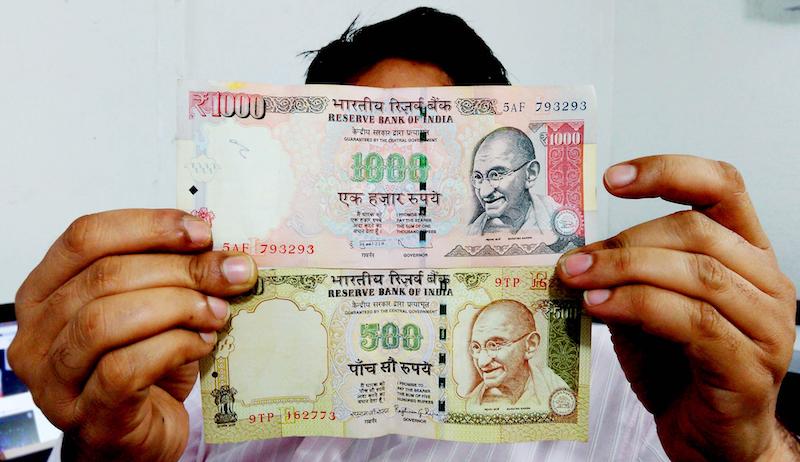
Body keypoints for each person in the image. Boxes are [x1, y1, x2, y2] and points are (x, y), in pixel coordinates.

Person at [9, 7, 798, 462]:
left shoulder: (623, 387)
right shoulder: (213, 375)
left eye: (441, 160)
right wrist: (98, 457)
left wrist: (755, 453)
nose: (399, 207)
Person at [466, 300, 568, 411]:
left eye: (495, 345)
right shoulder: (470, 403)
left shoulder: (558, 393)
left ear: (530, 345)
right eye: (476, 347)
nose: (482, 362)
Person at [467, 127, 558, 238]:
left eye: (496, 175)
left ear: (530, 174)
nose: (484, 193)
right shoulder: (468, 234)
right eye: (478, 177)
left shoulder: (559, 220)